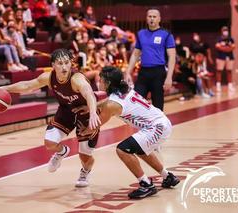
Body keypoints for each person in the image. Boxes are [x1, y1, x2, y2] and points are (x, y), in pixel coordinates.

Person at [0, 49, 101, 187]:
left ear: (71, 63)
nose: (64, 67)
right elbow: (27, 85)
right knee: (50, 142)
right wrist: (5, 89)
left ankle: (85, 171)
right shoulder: (48, 77)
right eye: (60, 63)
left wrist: (94, 113)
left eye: (66, 63)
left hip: (87, 114)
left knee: (85, 155)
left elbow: (89, 94)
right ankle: (61, 152)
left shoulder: (77, 79)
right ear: (53, 65)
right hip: (66, 111)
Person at [75, 66, 180, 199]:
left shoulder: (112, 105)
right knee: (140, 149)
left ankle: (146, 184)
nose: (98, 82)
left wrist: (83, 131)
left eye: (100, 80)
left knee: (123, 149)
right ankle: (168, 176)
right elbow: (108, 101)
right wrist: (92, 106)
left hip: (156, 127)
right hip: (161, 122)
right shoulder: (123, 88)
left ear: (107, 83)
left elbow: (96, 124)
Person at [125, 9, 176, 111]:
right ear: (146, 18)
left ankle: (159, 126)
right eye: (150, 16)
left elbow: (172, 57)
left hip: (158, 73)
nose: (152, 18)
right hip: (144, 72)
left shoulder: (166, 34)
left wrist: (169, 77)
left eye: (154, 16)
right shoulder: (141, 34)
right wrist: (127, 72)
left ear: (159, 19)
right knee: (135, 103)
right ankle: (141, 126)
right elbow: (135, 54)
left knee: (157, 107)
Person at [215, 26, 235, 93]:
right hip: (220, 57)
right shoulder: (219, 39)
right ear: (221, 31)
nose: (225, 31)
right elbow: (218, 47)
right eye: (224, 30)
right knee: (219, 71)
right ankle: (218, 85)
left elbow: (233, 47)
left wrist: (224, 48)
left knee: (229, 71)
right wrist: (227, 49)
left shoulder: (231, 39)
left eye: (226, 30)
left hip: (230, 57)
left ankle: (230, 86)